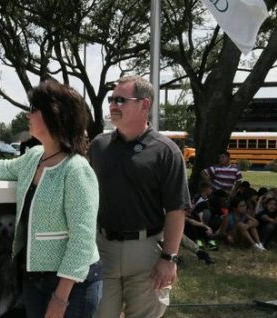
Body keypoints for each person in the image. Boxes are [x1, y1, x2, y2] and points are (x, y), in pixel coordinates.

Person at [0, 80, 102, 318]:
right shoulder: (34, 157)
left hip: (71, 286)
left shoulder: (76, 170)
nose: (27, 114)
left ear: (53, 115)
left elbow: (82, 242)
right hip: (34, 281)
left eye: (34, 109)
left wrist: (61, 298)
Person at [87, 75, 190, 318]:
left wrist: (169, 258)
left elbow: (176, 209)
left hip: (147, 255)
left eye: (120, 100)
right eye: (111, 99)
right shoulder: (98, 147)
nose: (112, 105)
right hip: (102, 250)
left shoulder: (167, 151)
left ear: (144, 105)